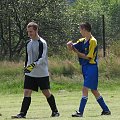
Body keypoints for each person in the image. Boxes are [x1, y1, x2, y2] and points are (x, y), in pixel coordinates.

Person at [11, 22, 60, 119]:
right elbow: (27, 57)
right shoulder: (28, 43)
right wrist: (26, 67)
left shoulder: (42, 43)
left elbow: (42, 58)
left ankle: (55, 112)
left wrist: (32, 66)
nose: (29, 34)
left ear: (36, 30)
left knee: (46, 92)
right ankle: (22, 114)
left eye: (31, 31)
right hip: (30, 73)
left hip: (41, 73)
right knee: (27, 92)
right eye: (28, 32)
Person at [67, 22, 111, 117]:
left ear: (85, 30)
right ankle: (106, 110)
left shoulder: (93, 41)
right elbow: (72, 47)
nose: (80, 31)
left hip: (91, 67)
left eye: (81, 29)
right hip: (84, 67)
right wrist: (69, 45)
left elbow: (88, 57)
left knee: (85, 88)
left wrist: (76, 51)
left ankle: (80, 112)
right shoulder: (82, 40)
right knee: (94, 90)